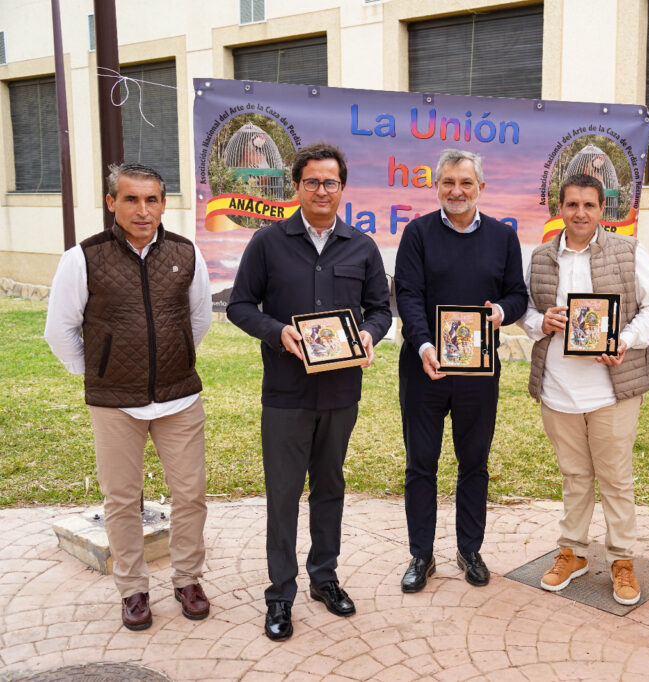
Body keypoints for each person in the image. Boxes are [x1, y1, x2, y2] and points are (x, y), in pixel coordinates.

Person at [227, 142, 391, 641]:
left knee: (330, 488)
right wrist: (278, 333)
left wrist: (369, 334)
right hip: (286, 392)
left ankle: (325, 578)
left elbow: (380, 309)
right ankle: (280, 595)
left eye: (331, 182)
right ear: (297, 186)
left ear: (343, 188)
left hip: (341, 392)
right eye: (313, 182)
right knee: (283, 495)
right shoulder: (267, 243)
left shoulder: (361, 247)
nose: (322, 190)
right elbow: (239, 305)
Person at [44, 163, 213, 631]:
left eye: (152, 199)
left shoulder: (185, 252)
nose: (143, 210)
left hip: (179, 400)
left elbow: (199, 319)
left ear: (163, 203)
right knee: (120, 501)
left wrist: (176, 359)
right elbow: (59, 330)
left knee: (190, 495)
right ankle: (133, 589)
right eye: (132, 199)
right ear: (111, 203)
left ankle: (187, 579)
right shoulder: (82, 258)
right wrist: (98, 373)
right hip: (114, 405)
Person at [517, 174, 649, 605]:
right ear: (559, 208)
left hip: (611, 390)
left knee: (616, 479)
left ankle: (621, 558)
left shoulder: (628, 251)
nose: (580, 213)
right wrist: (538, 322)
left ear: (603, 210)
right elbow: (527, 310)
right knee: (574, 476)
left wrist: (625, 340)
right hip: (558, 389)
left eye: (589, 205)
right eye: (572, 205)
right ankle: (574, 552)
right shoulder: (543, 256)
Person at [394, 149, 528, 593]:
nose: (456, 191)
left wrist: (502, 312)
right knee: (421, 465)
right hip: (425, 368)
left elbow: (517, 295)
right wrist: (425, 344)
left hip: (478, 373)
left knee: (474, 463)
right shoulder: (416, 234)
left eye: (465, 183)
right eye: (448, 182)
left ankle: (470, 549)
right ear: (436, 187)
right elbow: (408, 297)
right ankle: (421, 555)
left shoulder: (503, 238)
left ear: (480, 188)